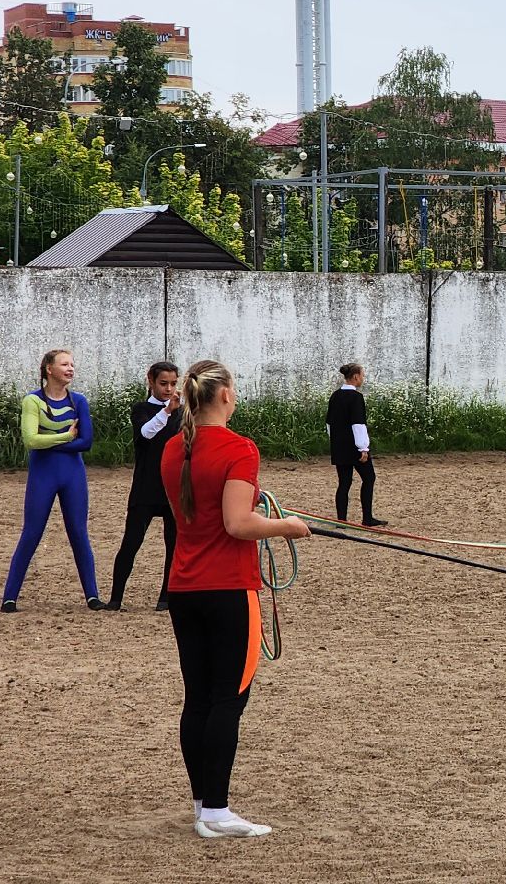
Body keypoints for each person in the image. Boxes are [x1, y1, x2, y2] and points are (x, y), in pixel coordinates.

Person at [162, 359, 310, 839]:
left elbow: (203, 515)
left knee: (199, 697)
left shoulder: (172, 450)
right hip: (227, 587)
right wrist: (288, 526)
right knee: (229, 697)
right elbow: (237, 524)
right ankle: (217, 811)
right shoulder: (239, 448)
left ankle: (205, 804)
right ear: (224, 394)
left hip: (185, 587)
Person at [1, 349, 99, 613]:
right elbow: (30, 440)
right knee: (31, 533)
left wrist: (51, 443)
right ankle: (9, 597)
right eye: (64, 364)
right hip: (43, 474)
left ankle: (92, 595)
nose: (70, 369)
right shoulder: (33, 401)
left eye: (72, 364)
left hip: (72, 473)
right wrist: (66, 437)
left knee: (78, 532)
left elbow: (86, 442)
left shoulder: (79, 401)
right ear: (48, 369)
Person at [104, 361, 183, 611]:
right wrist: (167, 412)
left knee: (174, 544)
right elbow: (146, 434)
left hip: (173, 487)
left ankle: (166, 597)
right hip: (146, 486)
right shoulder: (141, 409)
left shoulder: (182, 413)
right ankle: (116, 598)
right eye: (163, 384)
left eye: (173, 384)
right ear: (150, 380)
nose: (169, 389)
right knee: (131, 541)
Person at [325, 362, 386, 527]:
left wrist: (335, 441)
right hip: (354, 447)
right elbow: (358, 424)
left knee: (344, 482)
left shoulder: (335, 396)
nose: (363, 379)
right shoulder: (356, 397)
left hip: (339, 446)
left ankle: (341, 520)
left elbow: (329, 423)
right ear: (356, 376)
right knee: (369, 478)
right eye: (362, 375)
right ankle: (367, 518)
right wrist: (363, 447)